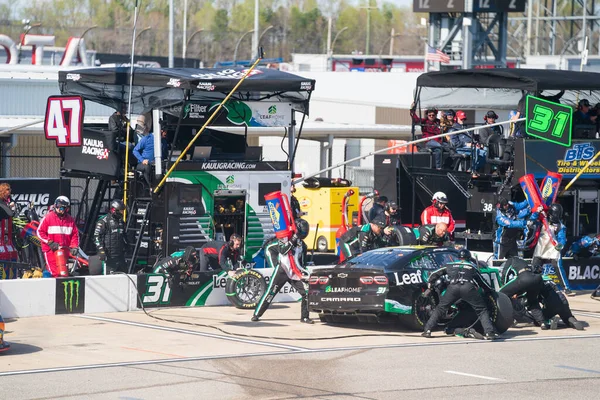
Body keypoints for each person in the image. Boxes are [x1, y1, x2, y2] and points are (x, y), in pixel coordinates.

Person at [422, 249, 498, 340]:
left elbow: (434, 274)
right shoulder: (472, 266)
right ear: (468, 258)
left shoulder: (450, 265)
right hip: (468, 288)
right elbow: (481, 282)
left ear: (458, 257)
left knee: (441, 308)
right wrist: (490, 290)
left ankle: (427, 330)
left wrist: (430, 285)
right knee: (482, 310)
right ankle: (489, 332)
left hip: (453, 288)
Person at [252, 219, 312, 323]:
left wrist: (304, 275)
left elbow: (302, 262)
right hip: (282, 270)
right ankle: (257, 314)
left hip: (294, 272)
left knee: (306, 293)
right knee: (271, 292)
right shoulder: (284, 239)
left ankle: (305, 317)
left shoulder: (303, 246)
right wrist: (293, 239)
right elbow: (284, 250)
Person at [532, 203, 573, 296]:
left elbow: (562, 239)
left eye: (558, 214)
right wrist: (536, 212)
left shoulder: (561, 226)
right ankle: (533, 286)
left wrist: (560, 245)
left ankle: (566, 288)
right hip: (541, 247)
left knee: (558, 266)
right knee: (534, 267)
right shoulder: (542, 219)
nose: (556, 216)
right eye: (556, 213)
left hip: (553, 248)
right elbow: (531, 221)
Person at [499, 257, 548, 329]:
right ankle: (542, 322)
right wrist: (517, 293)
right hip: (537, 279)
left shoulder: (511, 260)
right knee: (533, 301)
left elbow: (505, 274)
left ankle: (509, 319)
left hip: (524, 278)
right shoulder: (523, 262)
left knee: (501, 294)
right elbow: (527, 283)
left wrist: (504, 285)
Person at [37, 196, 80, 277]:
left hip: (64, 250)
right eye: (57, 206)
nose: (58, 209)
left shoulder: (70, 220)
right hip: (51, 250)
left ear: (67, 209)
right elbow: (39, 232)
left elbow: (75, 235)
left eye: (62, 208)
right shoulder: (48, 217)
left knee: (64, 273)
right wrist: (49, 242)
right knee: (55, 273)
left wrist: (74, 246)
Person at [93, 199, 128, 274]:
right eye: (121, 211)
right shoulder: (103, 221)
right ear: (114, 210)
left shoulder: (121, 222)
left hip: (120, 256)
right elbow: (96, 237)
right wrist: (101, 250)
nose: (122, 213)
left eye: (123, 211)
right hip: (109, 257)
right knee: (109, 279)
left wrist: (127, 246)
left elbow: (124, 236)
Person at [410, 104, 443, 169]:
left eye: (433, 115)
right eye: (429, 115)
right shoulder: (424, 121)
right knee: (439, 147)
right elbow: (416, 119)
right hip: (429, 141)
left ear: (435, 115)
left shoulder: (438, 122)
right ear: (427, 115)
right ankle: (438, 168)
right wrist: (412, 109)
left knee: (448, 148)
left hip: (439, 141)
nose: (431, 116)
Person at [132, 115, 155, 189]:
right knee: (146, 167)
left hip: (154, 163)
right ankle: (149, 187)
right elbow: (135, 150)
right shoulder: (144, 138)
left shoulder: (159, 140)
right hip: (143, 163)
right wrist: (142, 160)